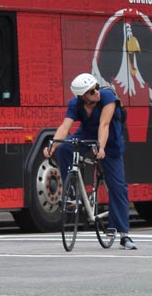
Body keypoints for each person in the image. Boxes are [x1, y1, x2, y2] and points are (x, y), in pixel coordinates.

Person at [44, 72, 136, 250]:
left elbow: (104, 125)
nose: (96, 91)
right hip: (86, 135)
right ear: (82, 97)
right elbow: (65, 126)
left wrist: (100, 147)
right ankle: (71, 192)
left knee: (117, 186)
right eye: (91, 91)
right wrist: (52, 146)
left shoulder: (107, 97)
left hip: (110, 141)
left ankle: (124, 235)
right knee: (64, 148)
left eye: (96, 87)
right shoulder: (75, 104)